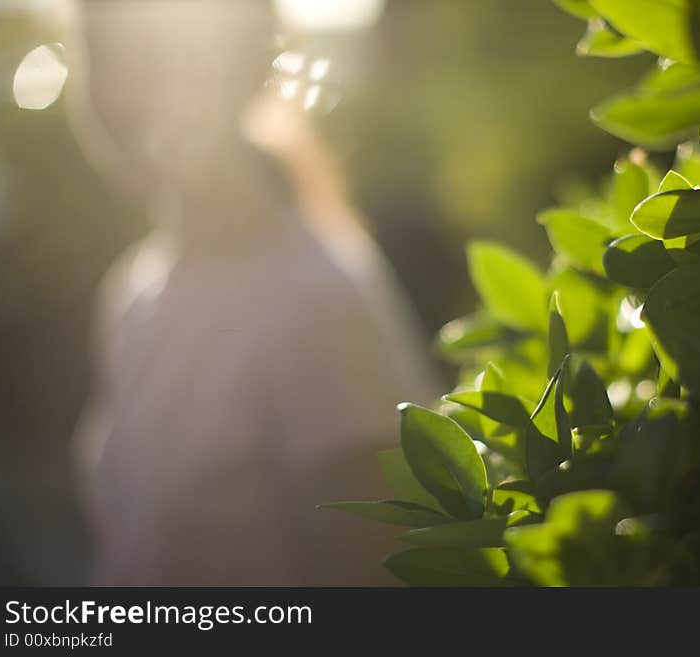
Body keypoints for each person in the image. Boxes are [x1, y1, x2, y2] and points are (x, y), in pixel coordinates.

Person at [65, 0, 440, 585]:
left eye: (157, 58)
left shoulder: (317, 300)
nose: (121, 95)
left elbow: (374, 575)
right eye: (101, 58)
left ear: (239, 70)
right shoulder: (132, 293)